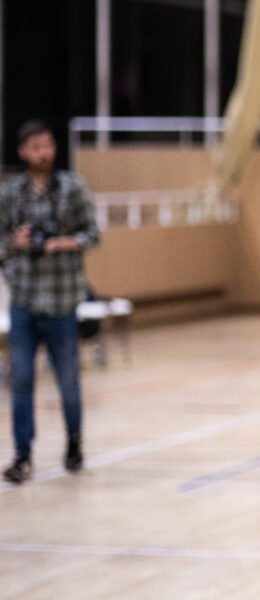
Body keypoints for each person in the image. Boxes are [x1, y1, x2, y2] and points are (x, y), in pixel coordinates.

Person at [0, 120, 101, 484]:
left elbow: (93, 235)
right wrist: (17, 243)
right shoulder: (11, 194)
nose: (45, 152)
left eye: (49, 145)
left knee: (68, 381)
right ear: (23, 152)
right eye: (37, 147)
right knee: (21, 378)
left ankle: (74, 441)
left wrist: (57, 243)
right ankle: (22, 454)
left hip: (61, 300)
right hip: (24, 300)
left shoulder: (72, 189)